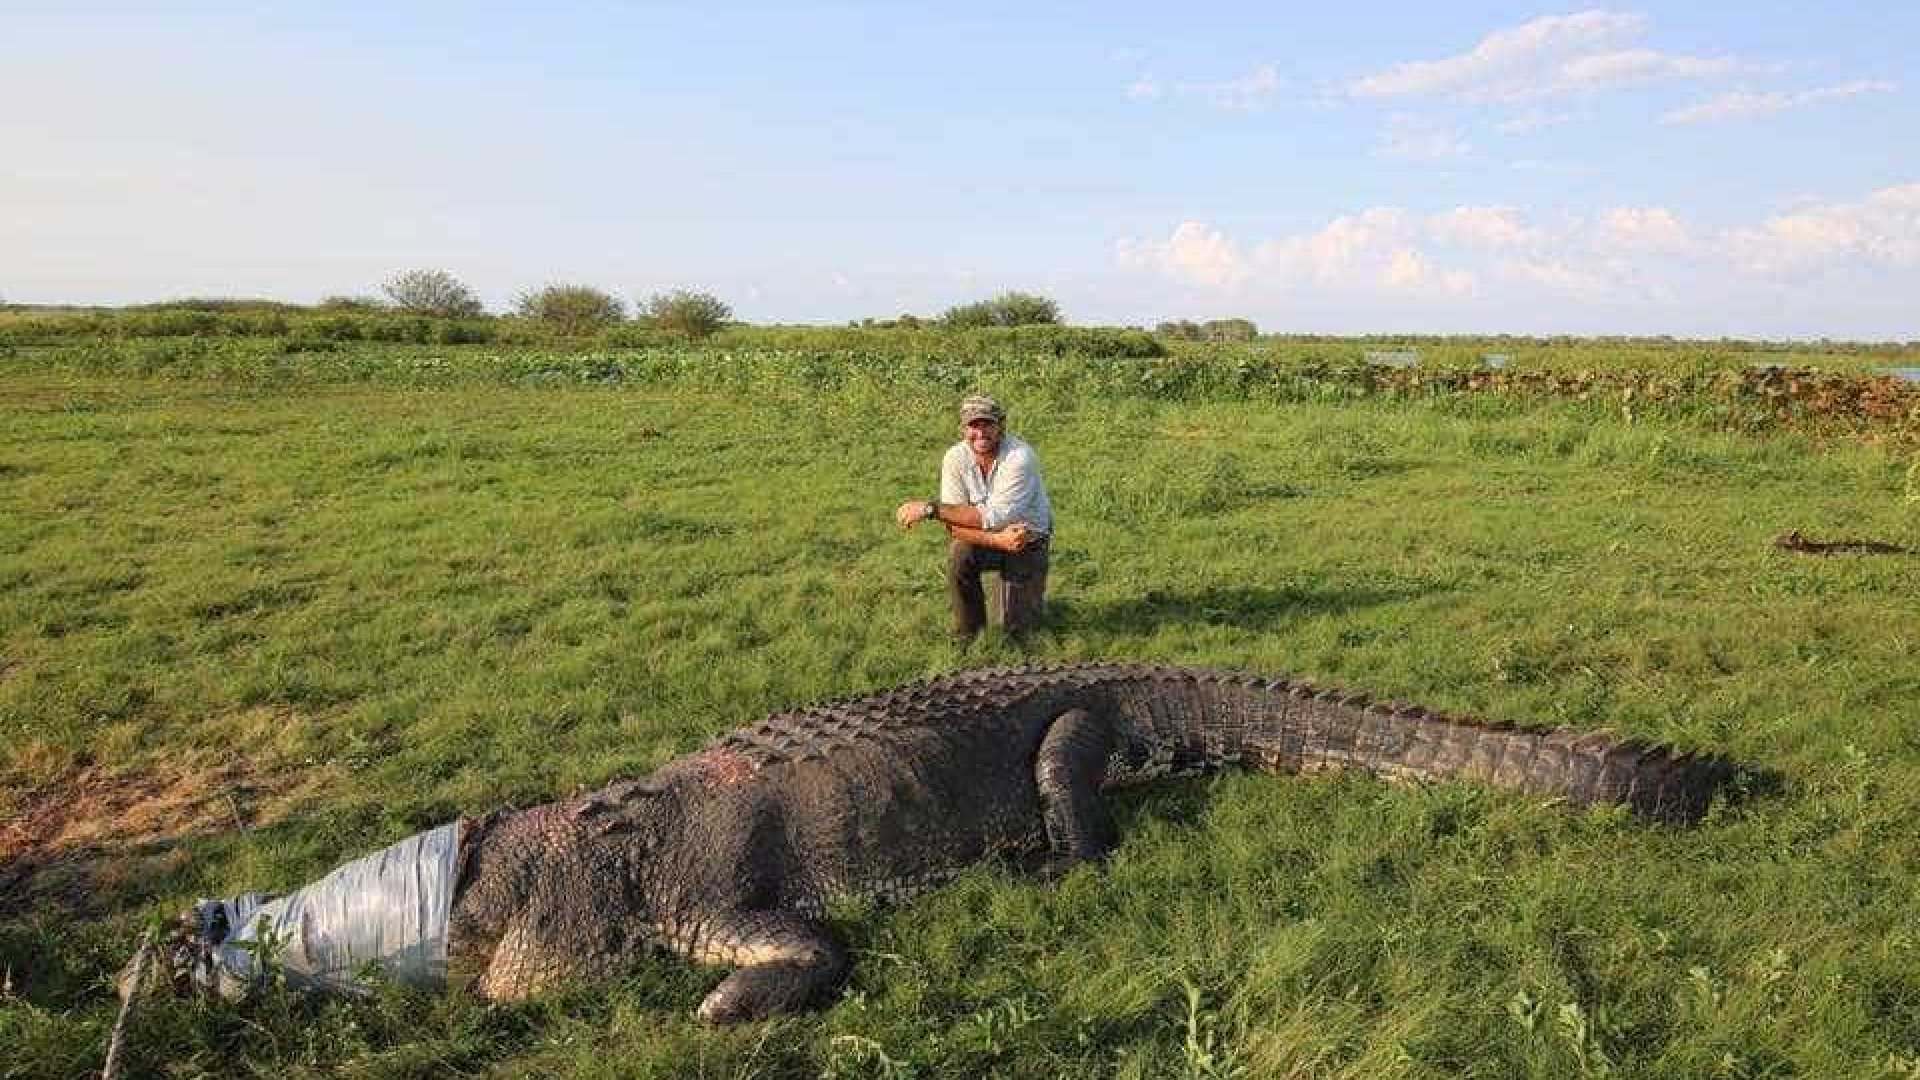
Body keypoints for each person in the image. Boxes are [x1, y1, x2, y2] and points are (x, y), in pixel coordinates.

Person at [894, 393, 1054, 640]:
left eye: (987, 424)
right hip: (992, 538)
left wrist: (930, 509)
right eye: (973, 425)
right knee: (961, 553)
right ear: (962, 429)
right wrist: (997, 541)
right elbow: (954, 525)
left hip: (1026, 541)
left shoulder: (1020, 457)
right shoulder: (954, 458)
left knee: (1019, 635)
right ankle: (968, 634)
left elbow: (994, 516)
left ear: (1001, 426)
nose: (980, 432)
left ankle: (1022, 605)